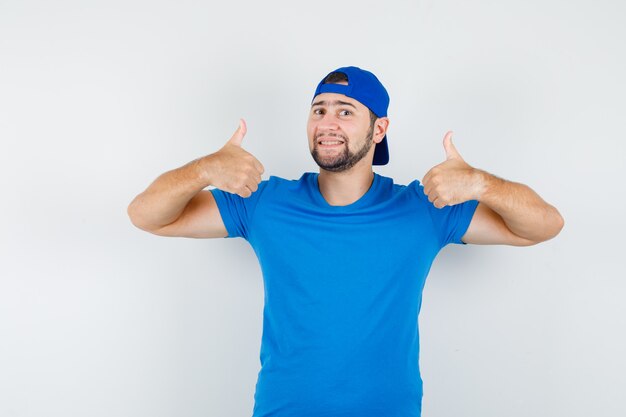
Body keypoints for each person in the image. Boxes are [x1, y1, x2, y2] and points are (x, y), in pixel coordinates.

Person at [127, 66, 564, 417]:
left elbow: (543, 226)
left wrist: (481, 183)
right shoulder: (264, 202)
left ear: (379, 129)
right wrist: (205, 168)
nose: (327, 122)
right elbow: (147, 216)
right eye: (318, 110)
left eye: (345, 111)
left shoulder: (425, 208)